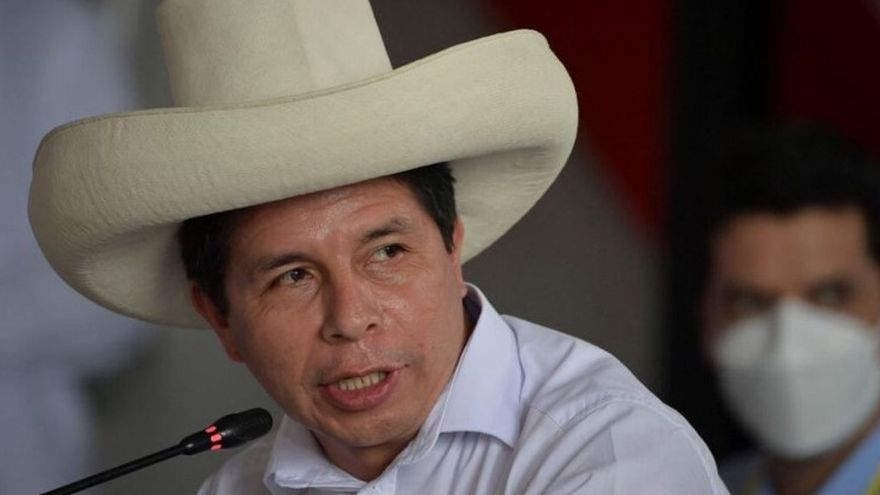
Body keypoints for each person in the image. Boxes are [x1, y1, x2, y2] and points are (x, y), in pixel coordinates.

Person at [27, 0, 728, 493]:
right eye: (293, 276)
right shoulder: (237, 487)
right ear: (220, 319)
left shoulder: (603, 451)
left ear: (453, 247)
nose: (351, 317)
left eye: (386, 253)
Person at [701, 124, 880, 495]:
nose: (788, 342)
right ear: (706, 318)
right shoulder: (693, 485)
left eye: (830, 296)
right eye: (750, 301)